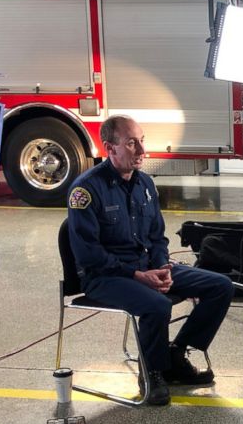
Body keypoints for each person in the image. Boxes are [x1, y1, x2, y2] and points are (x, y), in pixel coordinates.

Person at [67, 115, 234, 405]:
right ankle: (152, 372)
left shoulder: (145, 183)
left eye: (142, 141)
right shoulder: (86, 190)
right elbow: (88, 254)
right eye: (132, 143)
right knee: (157, 305)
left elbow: (157, 236)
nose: (142, 151)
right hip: (105, 276)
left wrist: (162, 266)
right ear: (110, 148)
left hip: (146, 268)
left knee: (221, 286)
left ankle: (176, 353)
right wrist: (136, 274)